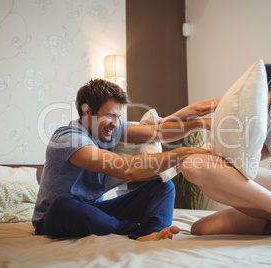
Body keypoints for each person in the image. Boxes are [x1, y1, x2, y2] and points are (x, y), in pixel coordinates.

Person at [32, 78, 210, 241]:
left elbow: (156, 133)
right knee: (64, 204)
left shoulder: (109, 130)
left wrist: (201, 124)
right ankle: (132, 228)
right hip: (56, 217)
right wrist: (183, 153)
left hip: (95, 210)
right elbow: (124, 168)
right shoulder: (68, 138)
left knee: (163, 186)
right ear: (86, 111)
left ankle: (151, 233)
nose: (116, 124)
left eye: (118, 117)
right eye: (109, 115)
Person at [173, 63, 271, 237]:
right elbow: (242, 160)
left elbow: (198, 109)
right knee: (201, 228)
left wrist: (164, 122)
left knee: (192, 165)